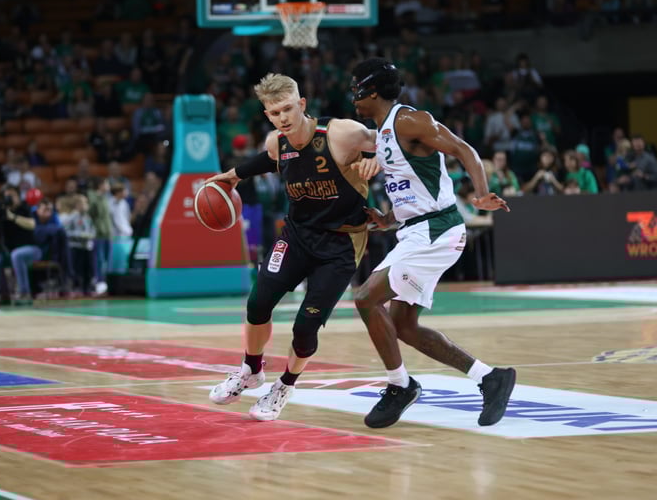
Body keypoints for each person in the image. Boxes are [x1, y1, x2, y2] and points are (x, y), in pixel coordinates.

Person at [349, 58, 516, 429]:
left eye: (357, 88)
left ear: (372, 92)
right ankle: (491, 378)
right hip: (415, 230)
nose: (353, 96)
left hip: (437, 230)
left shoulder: (408, 120)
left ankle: (400, 386)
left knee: (365, 298)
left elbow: (463, 149)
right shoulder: (382, 134)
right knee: (404, 326)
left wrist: (481, 193)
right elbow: (413, 190)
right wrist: (388, 219)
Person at [205, 73, 379, 422]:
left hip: (341, 243)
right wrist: (235, 175)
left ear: (302, 104)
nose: (282, 118)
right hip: (297, 235)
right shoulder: (277, 142)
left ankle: (285, 385)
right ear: (267, 115)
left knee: (305, 327)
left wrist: (378, 160)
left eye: (287, 109)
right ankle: (251, 369)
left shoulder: (341, 133)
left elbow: (395, 141)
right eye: (274, 113)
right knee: (258, 302)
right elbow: (269, 159)